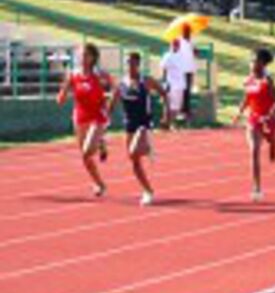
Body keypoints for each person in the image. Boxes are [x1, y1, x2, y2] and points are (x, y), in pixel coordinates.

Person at [57, 43, 115, 197]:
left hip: (97, 116)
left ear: (93, 58)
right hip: (80, 116)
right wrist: (62, 94)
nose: (82, 58)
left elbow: (115, 87)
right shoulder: (73, 74)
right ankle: (99, 184)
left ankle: (100, 142)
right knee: (85, 157)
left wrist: (110, 100)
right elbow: (62, 95)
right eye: (80, 55)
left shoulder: (99, 74)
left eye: (86, 55)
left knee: (88, 150)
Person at [111, 52, 168, 206]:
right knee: (134, 161)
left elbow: (164, 94)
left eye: (133, 63)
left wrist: (165, 116)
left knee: (133, 152)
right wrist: (104, 122)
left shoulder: (146, 81)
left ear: (138, 64)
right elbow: (111, 103)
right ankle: (148, 191)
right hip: (129, 124)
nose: (130, 66)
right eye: (128, 63)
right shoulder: (121, 83)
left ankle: (146, 147)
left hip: (144, 123)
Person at [234, 48, 275, 202]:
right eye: (251, 60)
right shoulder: (248, 80)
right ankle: (257, 188)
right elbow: (247, 98)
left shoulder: (268, 81)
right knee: (254, 151)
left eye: (254, 60)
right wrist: (239, 112)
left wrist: (270, 116)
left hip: (269, 119)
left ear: (262, 63)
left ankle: (274, 141)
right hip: (254, 119)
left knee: (273, 149)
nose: (251, 63)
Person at [160, 39, 186, 129]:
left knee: (175, 106)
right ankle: (167, 123)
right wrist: (164, 82)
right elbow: (164, 69)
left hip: (179, 84)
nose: (175, 46)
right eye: (174, 44)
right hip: (171, 84)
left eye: (176, 45)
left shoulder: (181, 56)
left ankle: (169, 123)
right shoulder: (168, 56)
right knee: (168, 105)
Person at [179, 24, 198, 120]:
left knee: (188, 89)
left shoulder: (192, 40)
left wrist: (194, 49)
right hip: (181, 68)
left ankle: (186, 110)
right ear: (182, 31)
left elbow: (195, 52)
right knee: (182, 89)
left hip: (190, 68)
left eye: (189, 31)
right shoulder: (179, 40)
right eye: (186, 31)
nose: (188, 33)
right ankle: (183, 110)